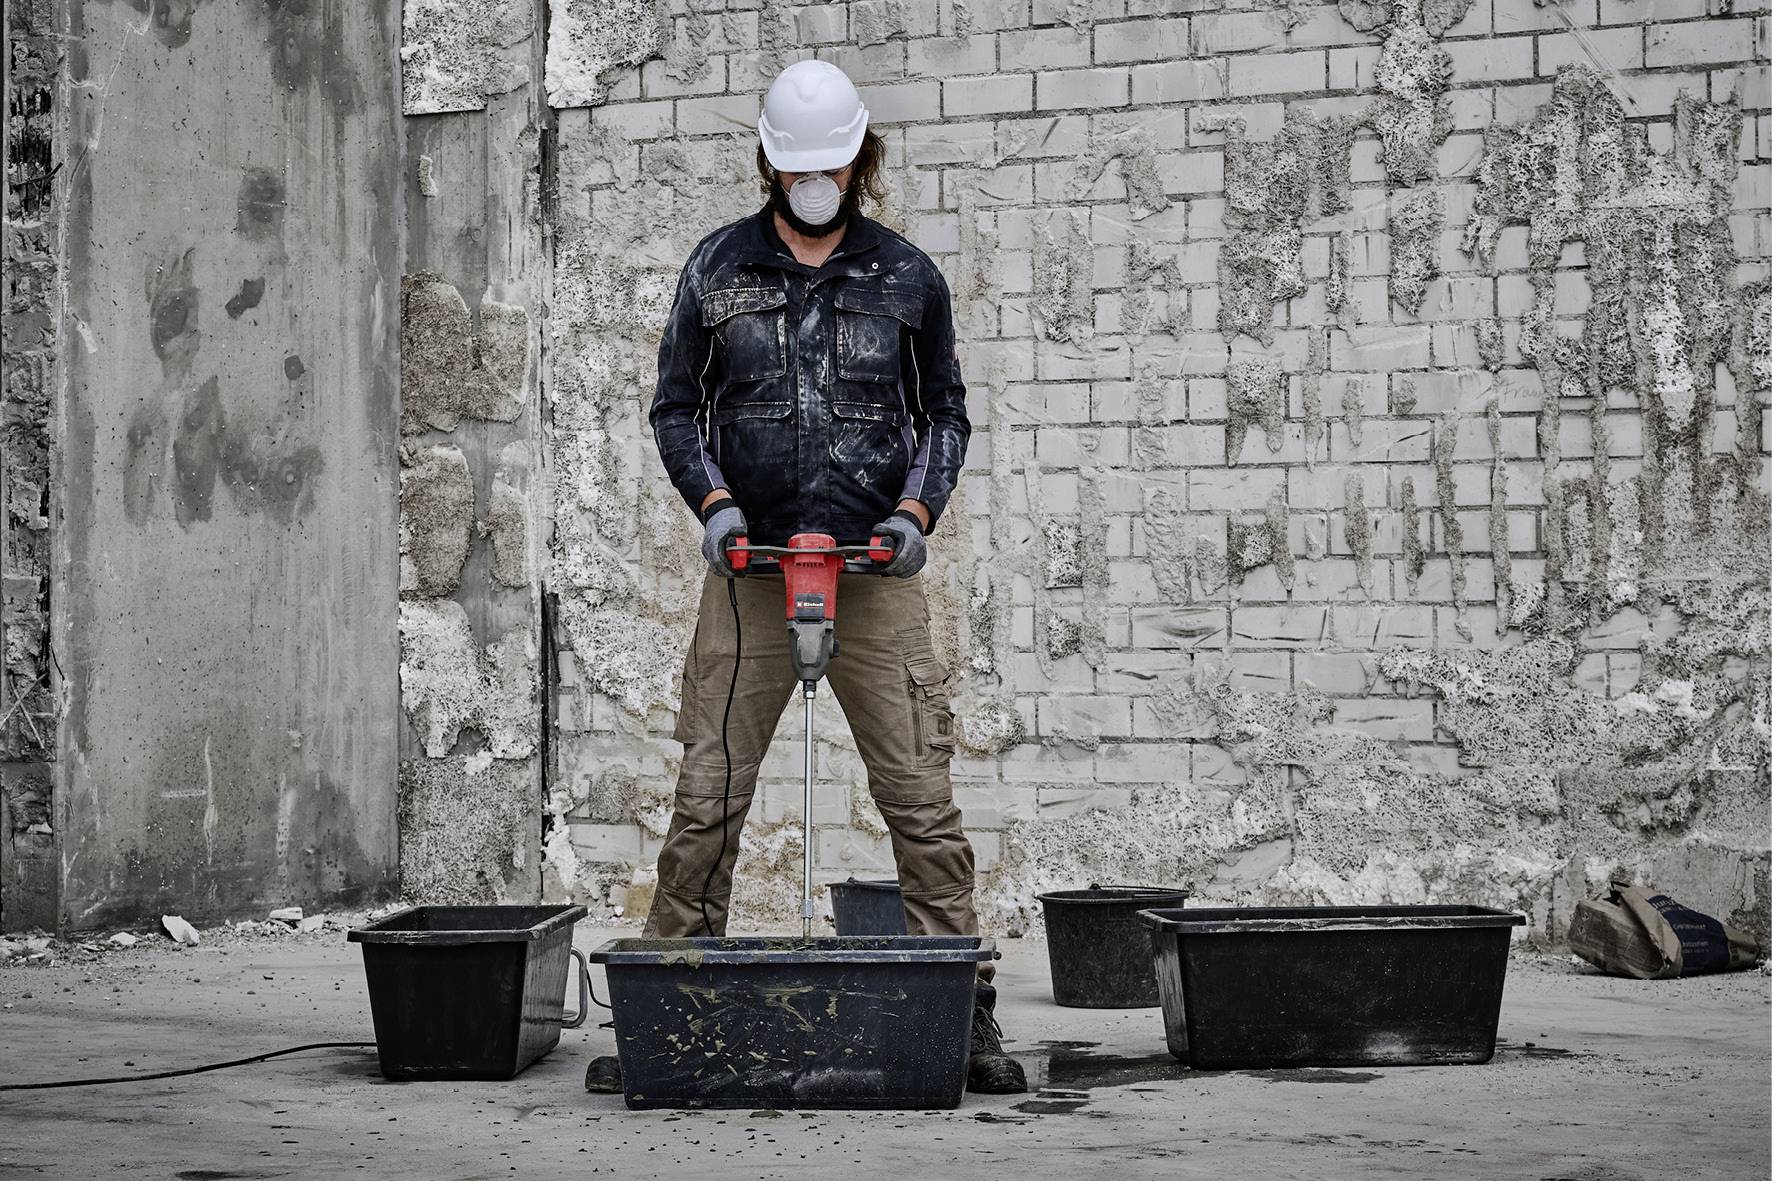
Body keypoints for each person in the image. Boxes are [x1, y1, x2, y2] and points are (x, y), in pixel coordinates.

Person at [585, 59, 1026, 1096]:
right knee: (706, 793)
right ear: (772, 166)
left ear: (857, 158)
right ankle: (670, 1010)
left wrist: (917, 513)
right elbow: (674, 408)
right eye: (798, 166)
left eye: (833, 162)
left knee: (920, 800)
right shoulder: (717, 269)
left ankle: (961, 1017)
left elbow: (945, 414)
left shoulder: (908, 276)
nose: (815, 180)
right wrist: (714, 507)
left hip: (873, 570)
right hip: (750, 569)